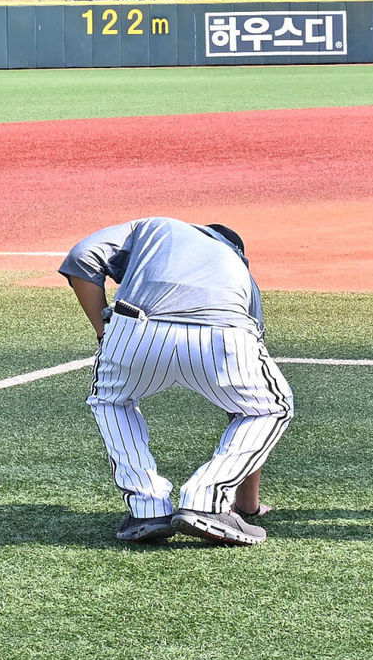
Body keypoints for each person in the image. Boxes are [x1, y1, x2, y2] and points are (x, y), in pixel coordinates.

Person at [60, 216, 294, 546]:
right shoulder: (239, 269)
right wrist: (247, 506)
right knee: (269, 409)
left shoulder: (152, 227)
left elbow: (82, 258)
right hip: (222, 330)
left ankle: (146, 507)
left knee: (110, 401)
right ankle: (206, 502)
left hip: (137, 327)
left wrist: (105, 335)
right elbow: (242, 406)